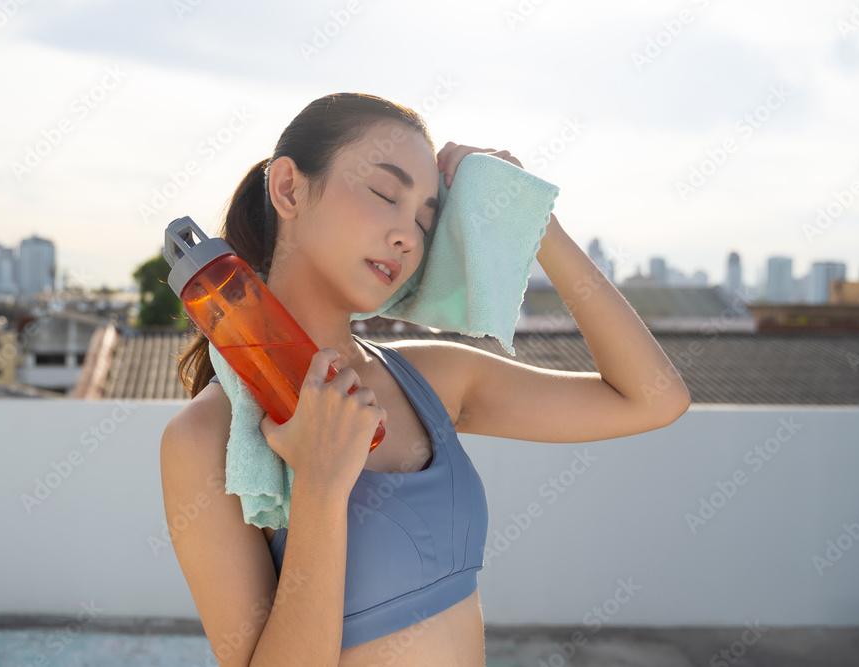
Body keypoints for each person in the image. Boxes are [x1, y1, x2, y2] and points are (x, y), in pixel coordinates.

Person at [160, 92, 692, 667]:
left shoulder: (430, 380)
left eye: (424, 219)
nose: (408, 236)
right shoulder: (206, 438)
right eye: (385, 194)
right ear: (288, 188)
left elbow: (653, 400)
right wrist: (318, 481)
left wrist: (531, 218)